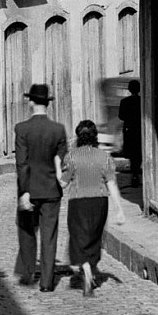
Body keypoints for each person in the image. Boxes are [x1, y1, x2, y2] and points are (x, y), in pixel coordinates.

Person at [61, 119, 125, 297]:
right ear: (95, 136)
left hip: (78, 201)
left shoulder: (71, 157)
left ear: (78, 137)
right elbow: (112, 184)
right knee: (94, 237)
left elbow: (63, 183)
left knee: (79, 237)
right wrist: (119, 209)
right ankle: (92, 266)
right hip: (99, 202)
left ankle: (87, 270)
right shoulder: (104, 157)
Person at [13, 83, 67, 292]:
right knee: (49, 235)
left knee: (27, 231)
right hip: (51, 190)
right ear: (47, 104)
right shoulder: (58, 130)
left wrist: (24, 191)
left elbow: (22, 163)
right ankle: (46, 282)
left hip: (30, 189)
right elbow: (60, 158)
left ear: (32, 102)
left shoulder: (22, 129)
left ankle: (28, 273)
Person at [117, 79, 141, 187]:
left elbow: (121, 116)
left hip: (129, 130)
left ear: (129, 89)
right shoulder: (142, 101)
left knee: (132, 154)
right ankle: (136, 173)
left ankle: (135, 173)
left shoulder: (124, 101)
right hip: (139, 129)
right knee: (138, 152)